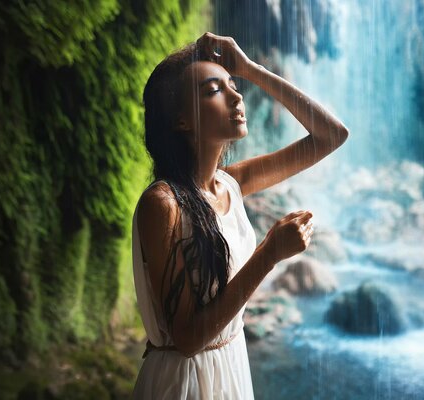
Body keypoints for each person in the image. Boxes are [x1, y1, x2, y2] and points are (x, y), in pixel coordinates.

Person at [131, 32, 349, 399]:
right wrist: (269, 254)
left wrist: (252, 69)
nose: (237, 96)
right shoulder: (163, 204)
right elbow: (187, 339)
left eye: (235, 85)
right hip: (183, 382)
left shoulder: (230, 183)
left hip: (231, 364)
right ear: (181, 120)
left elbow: (331, 135)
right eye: (214, 90)